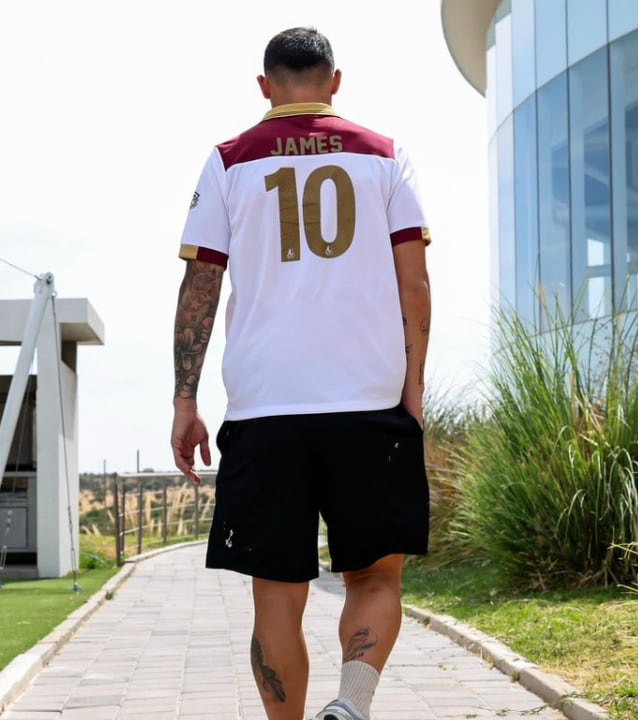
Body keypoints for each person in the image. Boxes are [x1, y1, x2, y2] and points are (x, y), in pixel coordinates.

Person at [170, 27, 431, 720]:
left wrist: (184, 399)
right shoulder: (384, 155)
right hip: (370, 402)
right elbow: (415, 282)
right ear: (335, 80)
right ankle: (351, 704)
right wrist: (414, 387)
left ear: (264, 86)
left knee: (275, 596)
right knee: (374, 575)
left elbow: (201, 287)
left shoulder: (228, 161)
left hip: (264, 408)